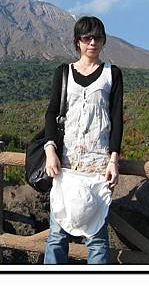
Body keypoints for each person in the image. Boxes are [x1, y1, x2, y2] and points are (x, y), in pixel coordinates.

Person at [43, 16, 123, 264]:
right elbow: (51, 111)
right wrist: (50, 150)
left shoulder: (113, 74)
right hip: (65, 164)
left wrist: (114, 160)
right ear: (77, 41)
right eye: (87, 37)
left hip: (97, 166)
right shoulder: (64, 72)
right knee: (56, 236)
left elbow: (117, 118)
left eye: (98, 37)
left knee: (97, 239)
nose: (93, 42)